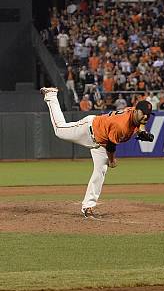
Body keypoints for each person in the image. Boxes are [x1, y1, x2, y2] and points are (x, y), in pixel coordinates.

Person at [40, 87, 155, 218]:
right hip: (89, 130)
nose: (145, 116)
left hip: (101, 142)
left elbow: (139, 123)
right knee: (60, 129)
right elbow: (111, 147)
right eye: (143, 113)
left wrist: (142, 132)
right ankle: (51, 95)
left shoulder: (133, 113)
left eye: (148, 114)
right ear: (135, 110)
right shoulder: (121, 126)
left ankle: (88, 206)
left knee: (101, 170)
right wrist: (112, 160)